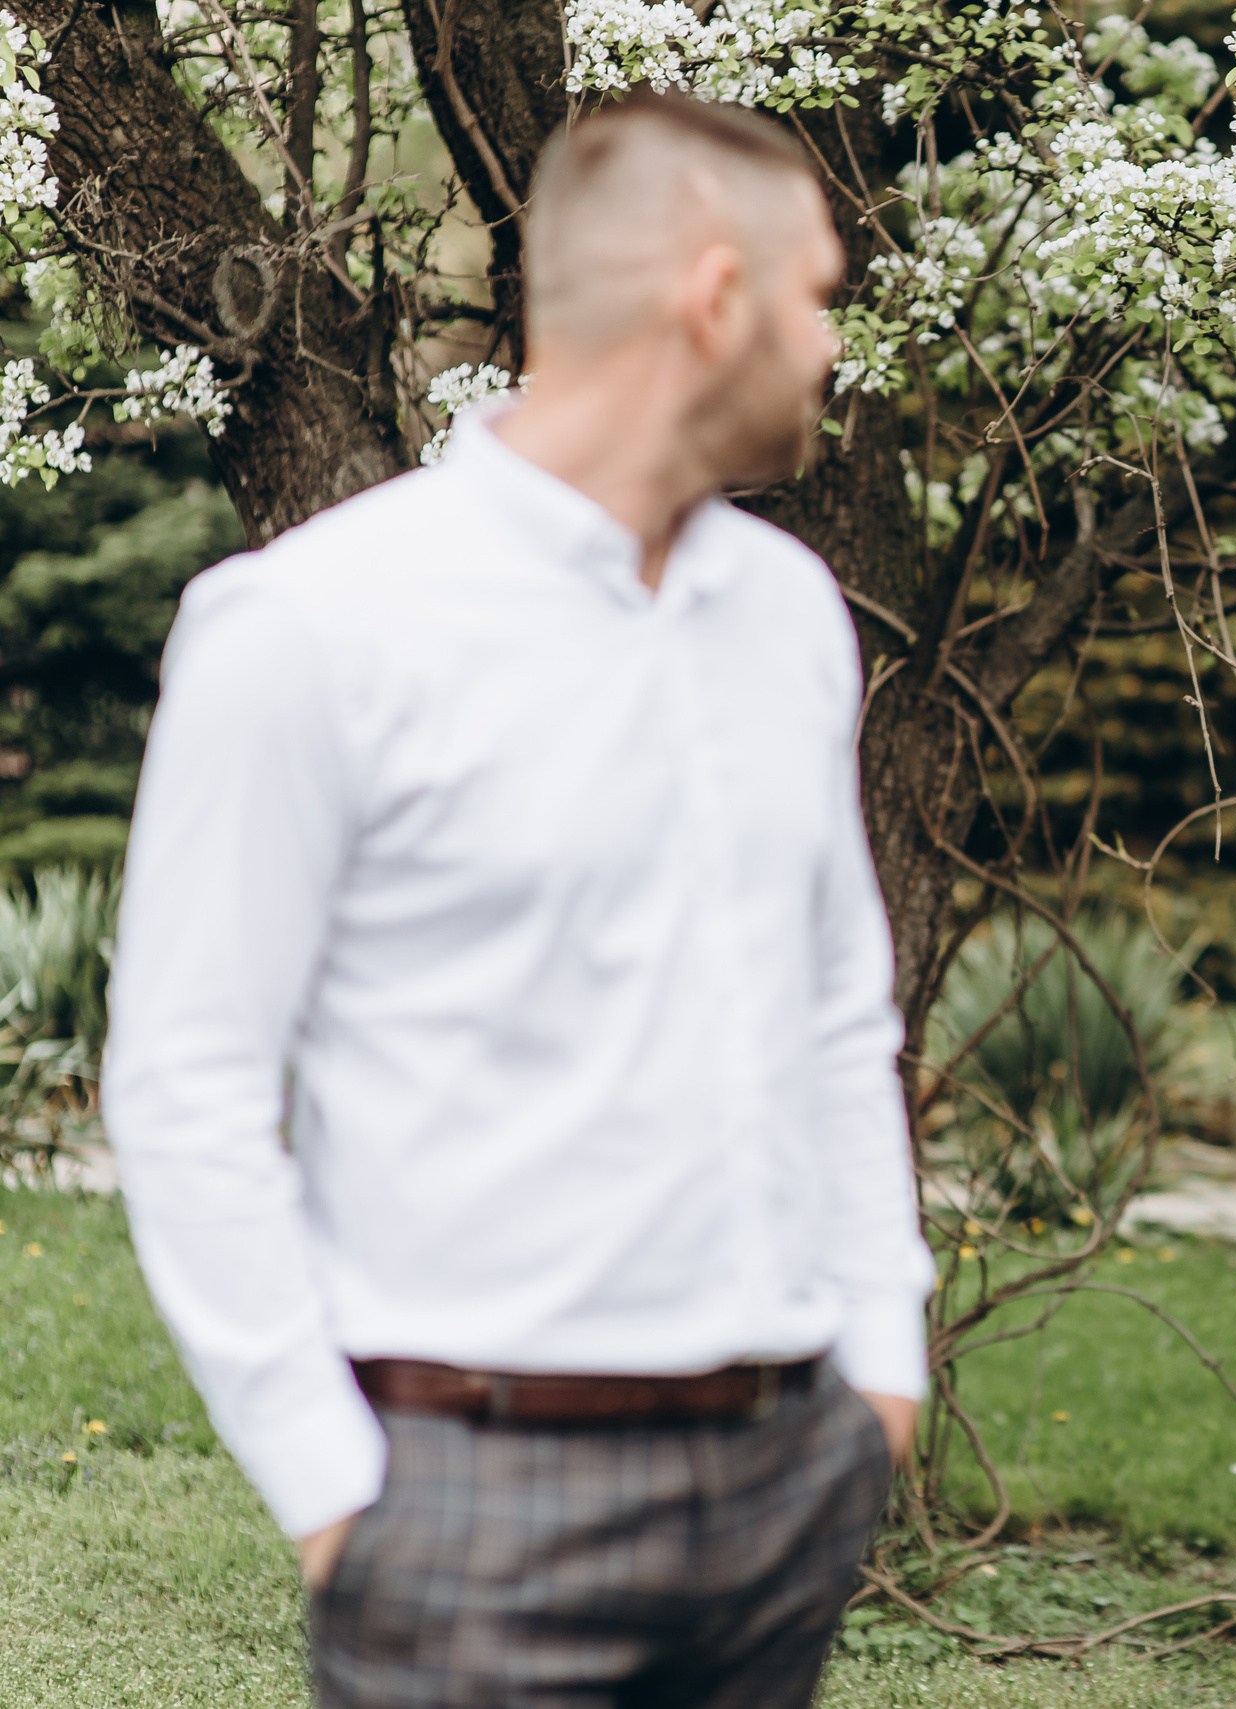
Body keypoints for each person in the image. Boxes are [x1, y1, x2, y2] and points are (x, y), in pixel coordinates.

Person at [103, 92, 933, 1708]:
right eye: (819, 296)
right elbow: (185, 1080)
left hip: (785, 1483)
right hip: (471, 1508)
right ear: (713, 298)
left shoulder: (789, 614)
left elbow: (839, 1008)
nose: (833, 345)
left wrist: (881, 1368)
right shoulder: (309, 626)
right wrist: (337, 1490)